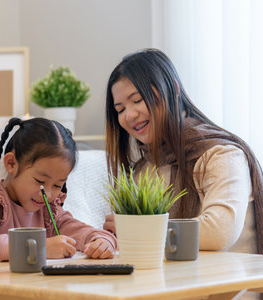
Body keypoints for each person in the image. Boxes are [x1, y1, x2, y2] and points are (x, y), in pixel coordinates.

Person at [103, 48, 263, 257]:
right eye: (120, 110)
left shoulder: (221, 155)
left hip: (226, 287)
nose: (130, 115)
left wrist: (138, 229)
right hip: (169, 284)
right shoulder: (143, 169)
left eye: (138, 100)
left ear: (173, 89)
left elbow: (219, 232)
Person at [0, 117, 117, 262]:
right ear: (11, 163)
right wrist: (38, 248)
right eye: (40, 181)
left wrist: (102, 243)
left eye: (57, 185)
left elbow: (87, 233)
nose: (49, 194)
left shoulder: (49, 211)